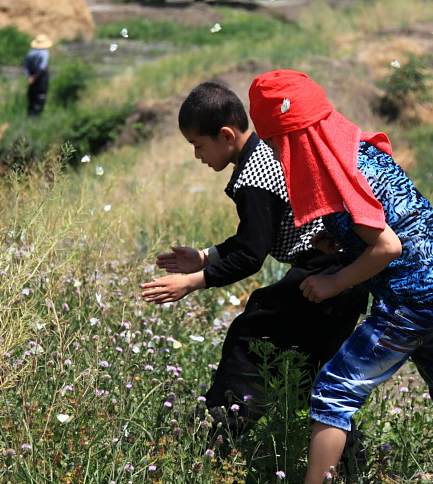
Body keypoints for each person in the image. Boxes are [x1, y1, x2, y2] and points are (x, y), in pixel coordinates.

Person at [246, 69, 433, 484]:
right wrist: (337, 246)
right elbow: (384, 229)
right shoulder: (357, 153)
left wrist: (334, 281)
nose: (282, 157)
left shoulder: (341, 176)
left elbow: (387, 246)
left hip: (412, 302)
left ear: (293, 139)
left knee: (334, 390)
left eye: (280, 145)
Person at [140, 81, 368, 438]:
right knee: (312, 371)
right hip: (342, 273)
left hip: (324, 275)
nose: (198, 156)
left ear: (227, 135)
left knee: (252, 335)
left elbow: (250, 256)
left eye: (198, 145)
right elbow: (254, 239)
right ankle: (341, 459)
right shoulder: (264, 153)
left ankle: (223, 434)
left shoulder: (253, 177)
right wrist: (204, 256)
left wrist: (192, 282)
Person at [24, 34, 52, 116]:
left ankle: (30, 116)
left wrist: (30, 77)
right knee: (40, 97)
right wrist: (36, 76)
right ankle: (35, 118)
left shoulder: (30, 53)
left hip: (31, 78)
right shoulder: (44, 53)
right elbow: (42, 67)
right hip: (41, 78)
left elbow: (26, 67)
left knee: (32, 98)